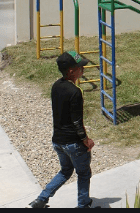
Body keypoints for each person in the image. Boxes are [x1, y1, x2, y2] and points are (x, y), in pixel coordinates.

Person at [29, 51, 95, 208]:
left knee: (65, 171)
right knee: (84, 173)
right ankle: (83, 205)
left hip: (58, 141)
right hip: (73, 142)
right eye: (80, 67)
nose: (83, 70)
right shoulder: (75, 92)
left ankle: (41, 199)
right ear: (72, 71)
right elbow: (77, 122)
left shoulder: (56, 86)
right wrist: (86, 141)